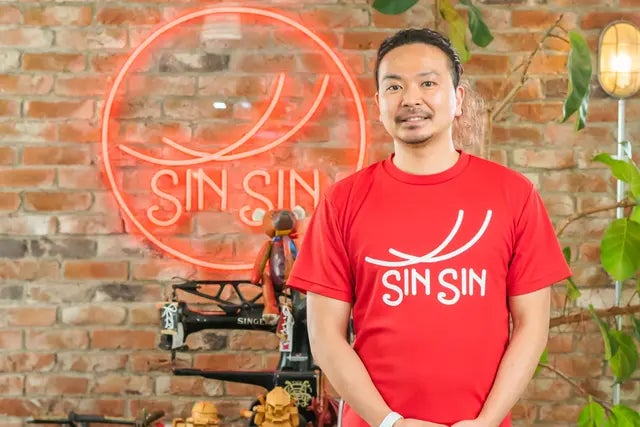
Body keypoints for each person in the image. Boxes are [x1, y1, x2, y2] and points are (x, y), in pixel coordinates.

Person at [286, 28, 572, 427]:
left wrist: (486, 422)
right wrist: (391, 422)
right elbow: (325, 337)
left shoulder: (513, 195)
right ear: (379, 104)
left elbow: (532, 327)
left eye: (428, 83)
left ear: (458, 100)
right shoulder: (342, 202)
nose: (411, 99)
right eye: (394, 87)